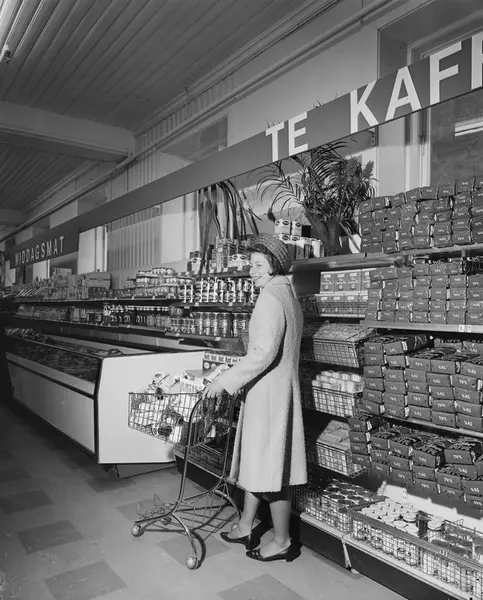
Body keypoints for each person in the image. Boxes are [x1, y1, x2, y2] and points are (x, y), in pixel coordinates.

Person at [203, 234, 307, 563]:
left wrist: (225, 381)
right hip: (277, 390)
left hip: (268, 395)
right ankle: (247, 524)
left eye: (259, 265)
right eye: (251, 264)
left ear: (274, 265)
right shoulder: (288, 295)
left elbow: (262, 353)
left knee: (272, 471)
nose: (252, 271)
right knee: (260, 461)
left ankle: (282, 541)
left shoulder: (269, 299)